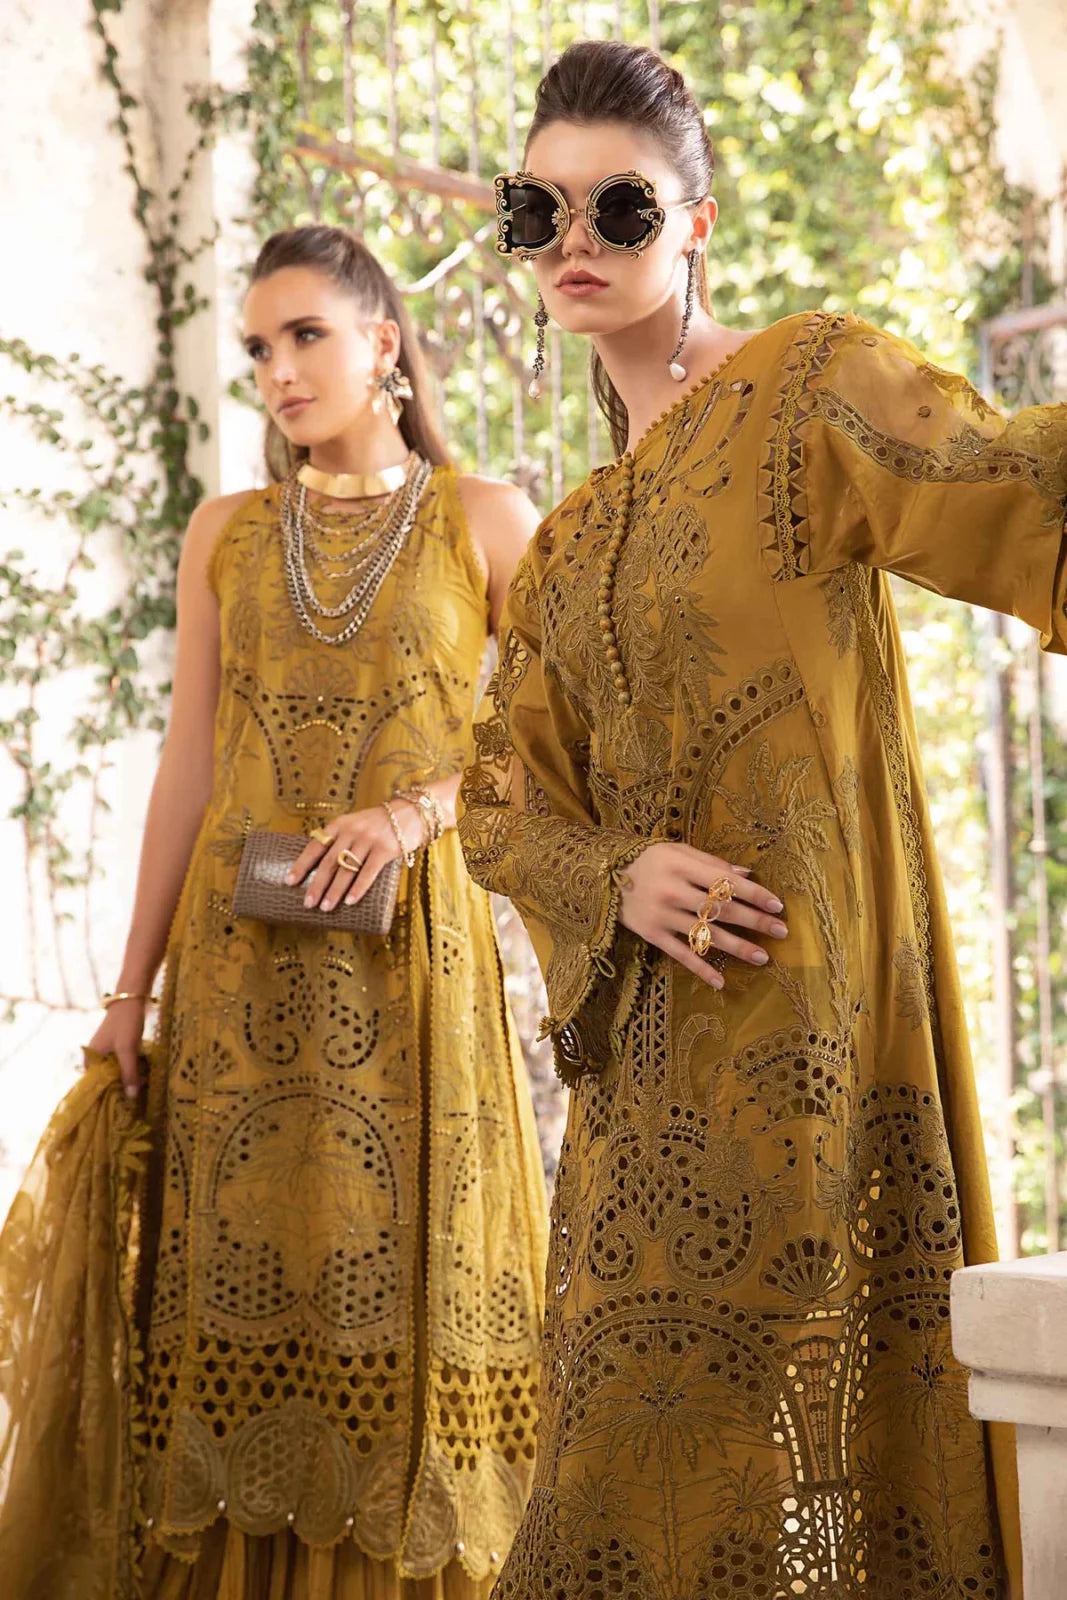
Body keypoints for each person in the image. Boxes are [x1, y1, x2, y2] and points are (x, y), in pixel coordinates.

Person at [459, 38, 1066, 1600]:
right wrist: (617, 872)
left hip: (816, 1048)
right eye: (537, 210)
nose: (575, 241)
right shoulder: (570, 535)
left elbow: (1009, 485)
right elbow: (498, 803)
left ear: (699, 225)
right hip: (645, 1101)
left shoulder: (811, 388)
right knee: (622, 1501)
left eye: (621, 208)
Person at [0, 225, 549, 1600]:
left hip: (413, 978)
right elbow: (187, 767)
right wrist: (128, 993)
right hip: (238, 981)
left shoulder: (487, 521)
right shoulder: (228, 535)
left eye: (307, 335)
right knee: (244, 1301)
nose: (279, 370)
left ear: (383, 344)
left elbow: (541, 750)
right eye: (258, 347)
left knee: (400, 1298)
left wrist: (412, 814)